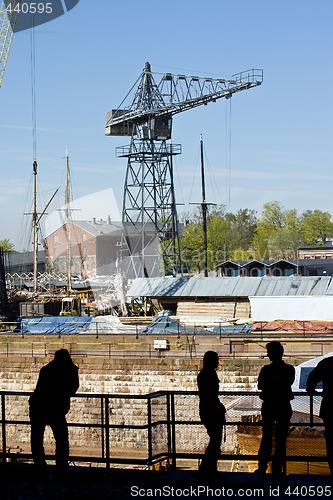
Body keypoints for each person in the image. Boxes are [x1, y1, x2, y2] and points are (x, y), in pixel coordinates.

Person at [29, 349, 79, 476]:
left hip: (38, 407)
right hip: (56, 409)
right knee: (62, 439)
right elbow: (73, 388)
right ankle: (61, 467)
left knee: (37, 439)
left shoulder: (46, 369)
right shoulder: (69, 370)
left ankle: (40, 467)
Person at [255, 341, 295, 476]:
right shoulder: (290, 369)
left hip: (269, 405)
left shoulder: (266, 370)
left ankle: (262, 466)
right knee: (281, 439)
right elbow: (288, 383)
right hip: (283, 405)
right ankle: (278, 468)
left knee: (266, 437)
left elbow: (260, 386)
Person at [197, 350, 226, 475]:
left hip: (205, 409)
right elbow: (212, 395)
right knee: (215, 440)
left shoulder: (202, 374)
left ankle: (208, 468)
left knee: (214, 439)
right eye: (216, 359)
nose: (218, 362)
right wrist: (220, 407)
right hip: (213, 410)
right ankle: (208, 467)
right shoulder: (211, 374)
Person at [306, 355, 333, 475]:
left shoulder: (327, 363)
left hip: (330, 406)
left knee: (331, 442)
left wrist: (312, 390)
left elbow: (312, 379)